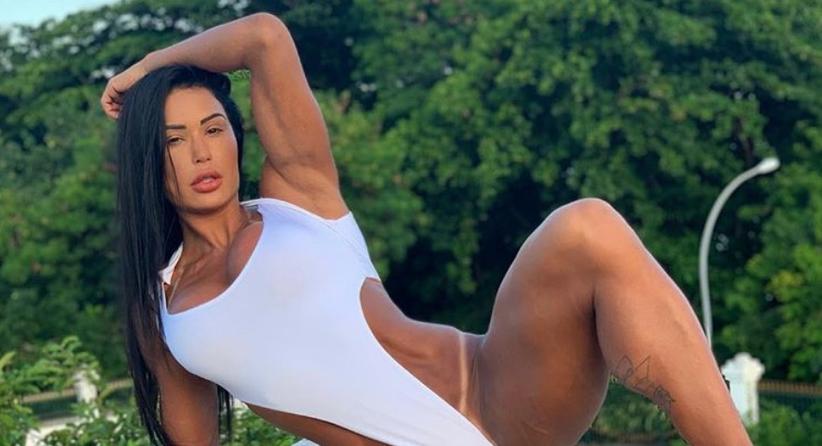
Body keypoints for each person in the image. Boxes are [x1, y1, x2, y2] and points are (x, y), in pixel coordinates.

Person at [101, 12, 752, 446]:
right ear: (147, 162)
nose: (202, 153)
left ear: (236, 137)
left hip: (499, 395)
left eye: (214, 129)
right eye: (174, 140)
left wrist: (150, 67)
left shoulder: (295, 195)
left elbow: (263, 37)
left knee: (587, 227)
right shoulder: (163, 311)